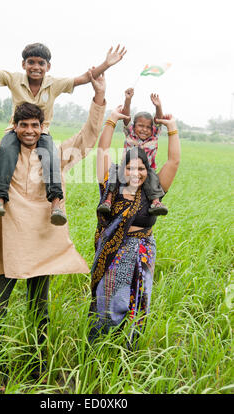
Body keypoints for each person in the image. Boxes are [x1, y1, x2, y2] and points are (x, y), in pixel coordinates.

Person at [0, 55, 107, 375]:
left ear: (42, 128)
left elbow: (88, 138)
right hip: (9, 244)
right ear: (15, 126)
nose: (28, 130)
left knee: (40, 309)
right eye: (23, 125)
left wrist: (98, 99)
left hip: (40, 244)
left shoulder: (57, 155)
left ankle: (37, 365)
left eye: (34, 125)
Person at [0, 31, 126, 225]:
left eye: (41, 63)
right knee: (5, 149)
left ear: (48, 66)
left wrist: (106, 65)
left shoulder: (54, 88)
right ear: (23, 64)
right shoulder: (13, 82)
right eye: (31, 62)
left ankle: (56, 202)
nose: (36, 67)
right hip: (12, 134)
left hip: (44, 137)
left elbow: (83, 78)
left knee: (50, 154)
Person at [89, 97, 180, 348]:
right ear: (122, 169)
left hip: (142, 251)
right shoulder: (112, 185)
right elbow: (102, 152)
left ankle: (128, 350)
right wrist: (111, 120)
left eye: (141, 168)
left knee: (138, 301)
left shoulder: (153, 191)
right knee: (109, 300)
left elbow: (173, 162)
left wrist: (172, 128)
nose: (136, 173)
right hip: (114, 252)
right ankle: (99, 347)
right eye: (130, 167)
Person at [97, 88, 168, 217]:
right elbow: (126, 118)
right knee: (113, 173)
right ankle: (108, 200)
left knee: (153, 179)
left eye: (148, 127)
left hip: (146, 169)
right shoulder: (130, 134)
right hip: (126, 166)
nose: (144, 130)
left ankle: (156, 202)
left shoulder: (154, 137)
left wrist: (158, 107)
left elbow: (158, 121)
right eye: (141, 125)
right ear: (134, 126)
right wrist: (128, 100)